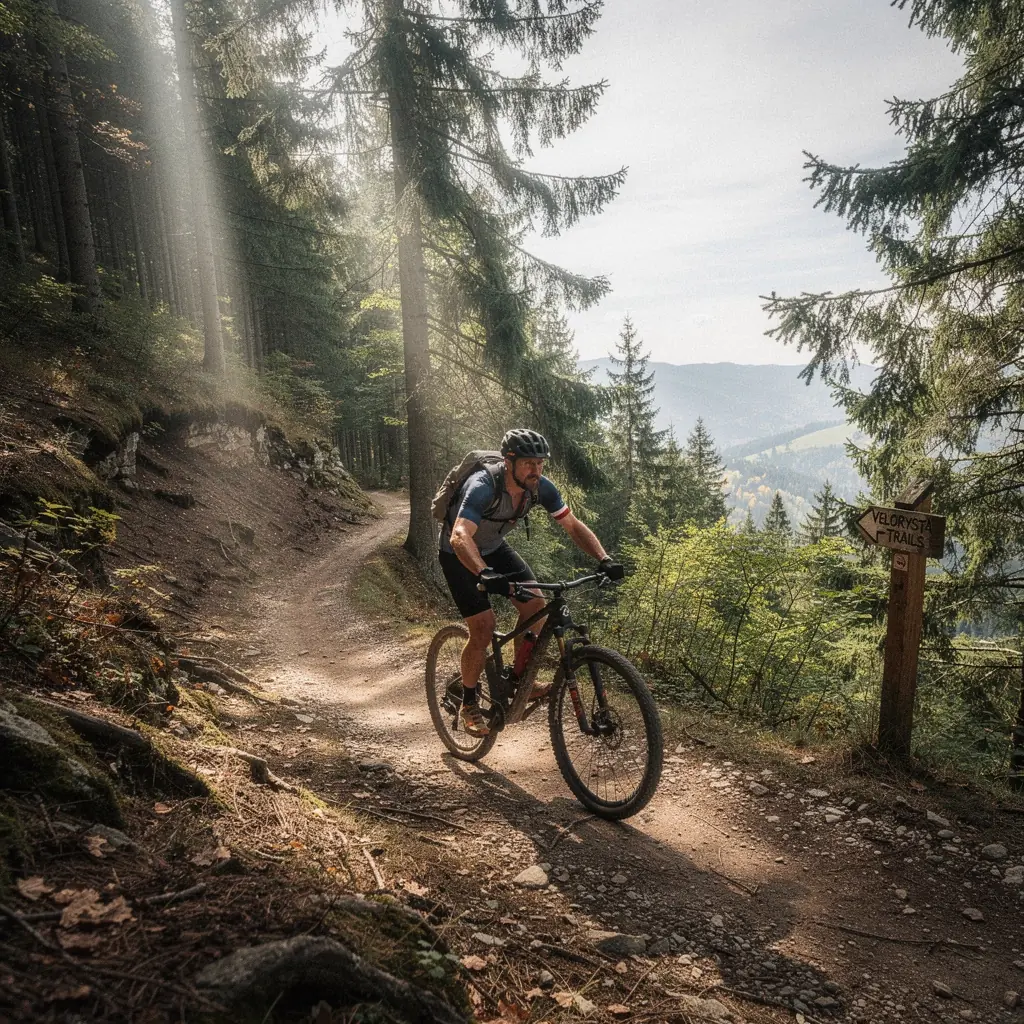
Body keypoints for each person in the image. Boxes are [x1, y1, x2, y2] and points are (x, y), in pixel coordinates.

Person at [438, 428, 623, 736]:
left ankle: (516, 676)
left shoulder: (540, 488)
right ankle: (469, 701)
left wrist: (604, 559)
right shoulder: (483, 484)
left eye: (540, 464)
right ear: (509, 462)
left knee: (536, 605)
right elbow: (460, 535)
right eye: (528, 463)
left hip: (494, 548)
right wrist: (484, 572)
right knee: (483, 626)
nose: (536, 470)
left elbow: (572, 526)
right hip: (458, 552)